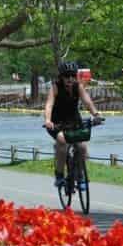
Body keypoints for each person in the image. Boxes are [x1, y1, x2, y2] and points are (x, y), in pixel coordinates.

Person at [43, 61, 102, 190]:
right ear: (61, 77)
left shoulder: (78, 86)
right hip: (57, 122)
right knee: (62, 144)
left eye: (72, 76)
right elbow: (49, 104)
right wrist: (48, 120)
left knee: (82, 147)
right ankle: (59, 175)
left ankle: (80, 175)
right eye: (66, 76)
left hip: (74, 121)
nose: (70, 79)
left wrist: (96, 114)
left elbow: (87, 101)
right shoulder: (55, 87)